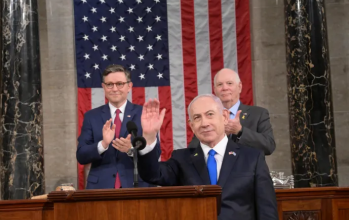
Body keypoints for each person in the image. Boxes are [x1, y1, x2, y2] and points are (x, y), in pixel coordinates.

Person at [137, 95, 278, 220]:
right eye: (197, 118)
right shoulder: (182, 159)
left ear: (224, 117)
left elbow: (267, 210)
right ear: (191, 126)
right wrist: (149, 137)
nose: (204, 123)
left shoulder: (252, 158)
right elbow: (153, 175)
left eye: (210, 114)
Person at [76, 64, 161, 189]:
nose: (114, 89)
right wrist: (103, 144)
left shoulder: (143, 114)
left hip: (137, 186)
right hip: (101, 189)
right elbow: (81, 156)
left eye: (120, 84)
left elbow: (155, 155)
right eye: (109, 84)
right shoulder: (91, 116)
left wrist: (131, 149)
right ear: (103, 87)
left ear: (129, 86)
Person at [188, 68, 276, 155]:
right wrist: (218, 134)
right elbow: (192, 151)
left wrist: (240, 131)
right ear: (215, 90)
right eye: (220, 84)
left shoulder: (258, 114)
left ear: (239, 87)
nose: (225, 88)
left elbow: (269, 146)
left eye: (229, 83)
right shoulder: (206, 117)